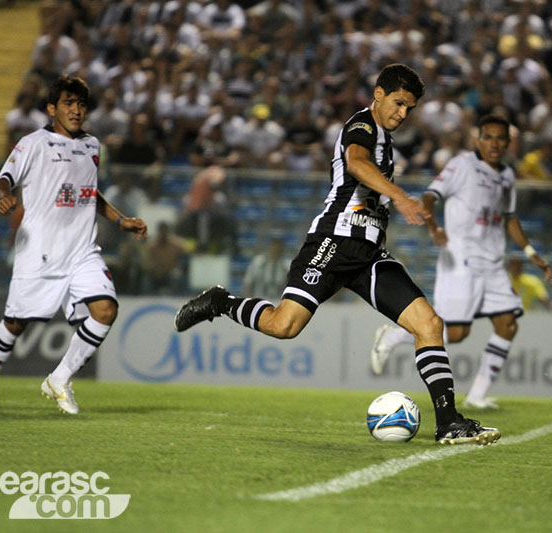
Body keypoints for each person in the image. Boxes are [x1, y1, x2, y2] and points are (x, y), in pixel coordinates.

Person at [174, 64, 499, 446]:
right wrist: (399, 196)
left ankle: (448, 422)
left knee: (429, 324)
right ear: (378, 94)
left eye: (409, 108)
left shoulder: (385, 139)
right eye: (398, 103)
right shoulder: (362, 125)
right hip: (334, 241)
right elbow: (356, 163)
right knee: (284, 326)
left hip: (368, 253)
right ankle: (220, 302)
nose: (402, 113)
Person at [0, 75, 147, 415]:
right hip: (40, 251)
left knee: (106, 310)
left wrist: (120, 220)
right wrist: (5, 195)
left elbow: (89, 192)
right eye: (69, 103)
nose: (76, 110)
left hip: (82, 250)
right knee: (16, 323)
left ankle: (60, 378)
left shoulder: (92, 145)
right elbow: (4, 178)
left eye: (81, 104)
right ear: (52, 109)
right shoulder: (33, 143)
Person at [369, 115, 552, 410]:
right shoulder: (462, 165)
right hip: (461, 258)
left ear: (508, 143)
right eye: (488, 137)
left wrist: (532, 254)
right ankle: (393, 337)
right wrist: (434, 228)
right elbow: (430, 196)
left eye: (500, 139)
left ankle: (477, 395)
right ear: (478, 140)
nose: (494, 144)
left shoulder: (507, 175)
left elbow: (510, 218)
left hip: (492, 263)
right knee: (455, 333)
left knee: (507, 324)